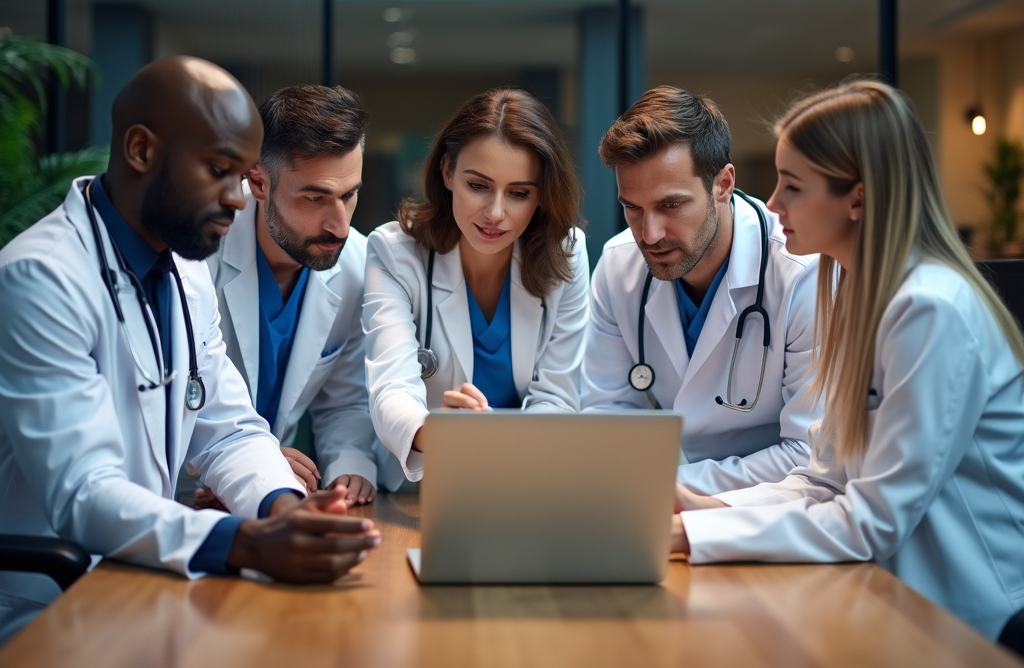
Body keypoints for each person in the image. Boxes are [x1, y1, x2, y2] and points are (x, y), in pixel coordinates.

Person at [0, 56, 380, 644]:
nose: (238, 198)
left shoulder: (183, 265)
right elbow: (83, 491)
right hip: (48, 600)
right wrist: (243, 542)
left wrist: (282, 508)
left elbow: (227, 427)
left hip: (145, 577)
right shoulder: (40, 277)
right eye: (220, 171)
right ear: (141, 151)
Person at [672, 79, 1024, 639]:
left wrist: (693, 534)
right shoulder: (858, 295)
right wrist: (704, 508)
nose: (772, 205)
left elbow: (872, 523)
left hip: (971, 620)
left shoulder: (930, 310)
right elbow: (825, 482)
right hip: (892, 601)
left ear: (856, 198)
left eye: (793, 186)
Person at [581, 85, 822, 494]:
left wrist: (670, 485)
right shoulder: (618, 265)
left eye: (671, 205)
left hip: (773, 510)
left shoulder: (803, 272)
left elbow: (808, 452)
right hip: (668, 505)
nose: (649, 234)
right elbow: (606, 420)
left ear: (723, 184)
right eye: (632, 208)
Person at [363, 88, 589, 484]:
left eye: (518, 193)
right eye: (479, 186)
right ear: (448, 172)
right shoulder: (394, 252)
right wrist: (443, 434)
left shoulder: (566, 254)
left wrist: (496, 445)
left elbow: (557, 397)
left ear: (542, 197)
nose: (496, 213)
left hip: (524, 482)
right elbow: (391, 388)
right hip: (421, 486)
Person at [198, 84, 386, 508]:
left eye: (349, 195)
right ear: (259, 182)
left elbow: (345, 400)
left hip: (280, 498)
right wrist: (253, 463)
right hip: (184, 496)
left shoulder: (356, 262)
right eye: (315, 198)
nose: (338, 225)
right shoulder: (199, 254)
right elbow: (176, 399)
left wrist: (349, 466)